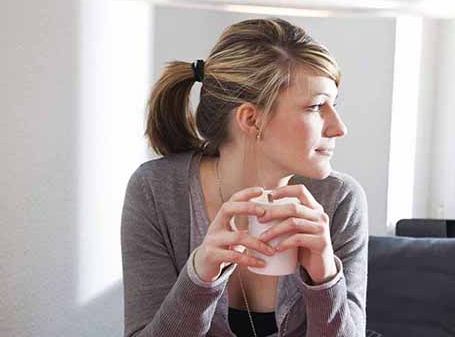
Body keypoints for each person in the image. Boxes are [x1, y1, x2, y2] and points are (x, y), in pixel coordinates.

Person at [121, 18, 368, 337]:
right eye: (317, 106)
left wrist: (325, 279)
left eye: (333, 105)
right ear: (251, 119)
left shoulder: (339, 200)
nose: (339, 127)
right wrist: (199, 277)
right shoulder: (156, 191)